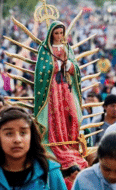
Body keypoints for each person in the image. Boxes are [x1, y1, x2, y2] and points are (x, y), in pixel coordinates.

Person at [34, 21, 88, 170]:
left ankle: (69, 143)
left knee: (70, 114)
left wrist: (69, 66)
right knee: (55, 114)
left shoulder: (68, 48)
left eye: (61, 33)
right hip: (52, 90)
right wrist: (56, 66)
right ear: (51, 34)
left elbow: (76, 68)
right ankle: (55, 143)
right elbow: (41, 70)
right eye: (56, 33)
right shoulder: (45, 49)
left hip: (66, 87)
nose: (59, 36)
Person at [0, 107, 68, 190]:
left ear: (31, 135)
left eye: (23, 133)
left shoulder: (50, 172)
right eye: (9, 133)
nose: (17, 140)